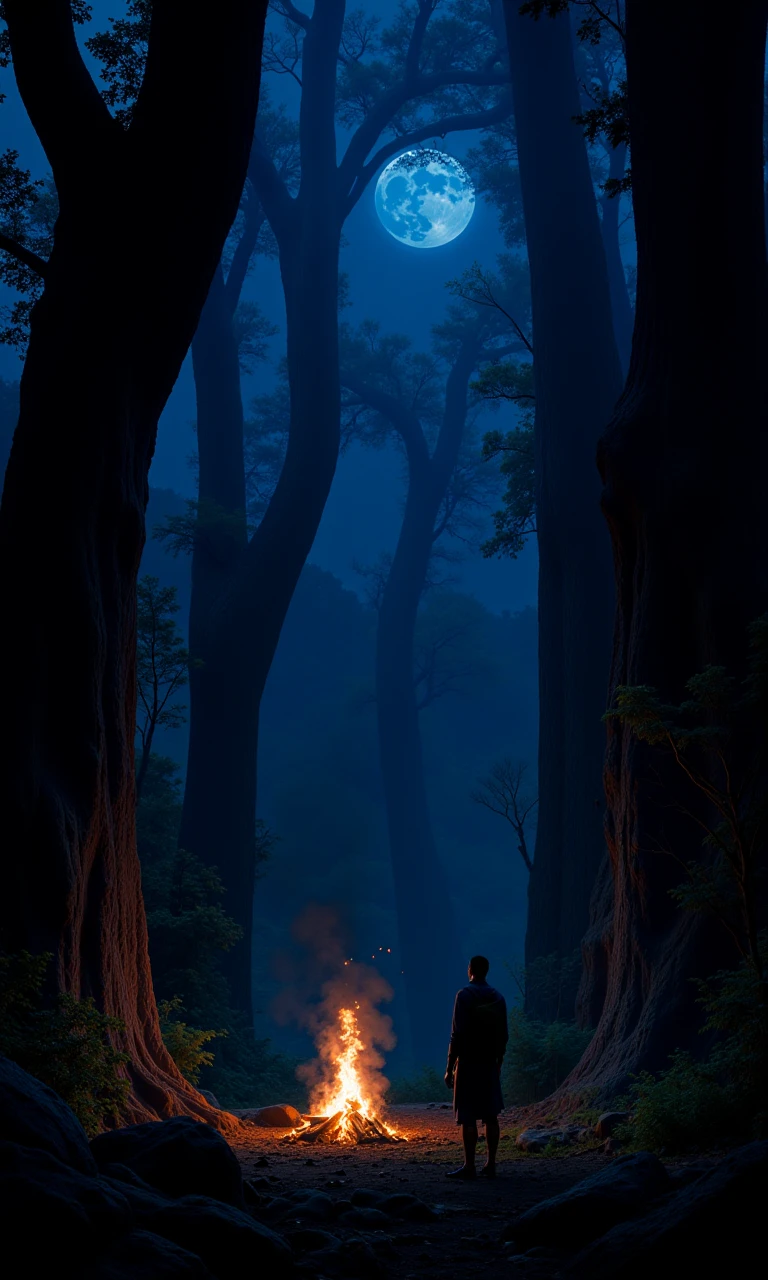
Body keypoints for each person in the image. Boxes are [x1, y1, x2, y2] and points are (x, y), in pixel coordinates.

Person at [444, 955, 508, 1179]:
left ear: (470, 969)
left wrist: (450, 1066)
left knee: (468, 1115)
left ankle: (469, 1166)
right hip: (489, 1061)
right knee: (491, 1114)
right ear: (487, 971)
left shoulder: (464, 996)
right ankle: (491, 1164)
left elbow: (457, 1034)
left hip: (468, 1062)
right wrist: (499, 1061)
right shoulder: (497, 998)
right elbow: (503, 1034)